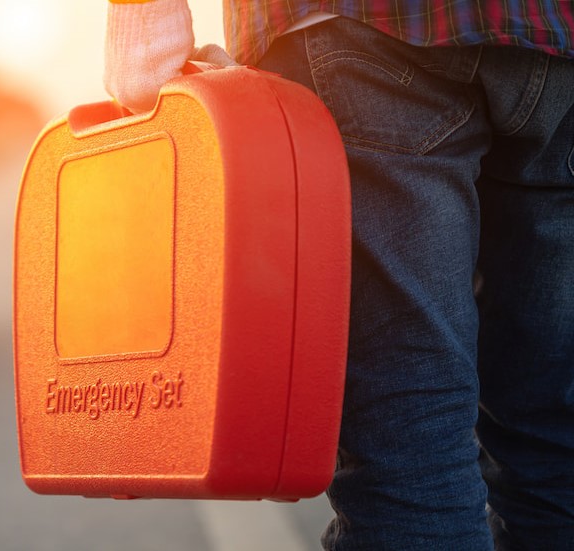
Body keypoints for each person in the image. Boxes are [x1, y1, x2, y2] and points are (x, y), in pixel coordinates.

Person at [104, 1, 574, 549]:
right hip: (556, 40)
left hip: (365, 31)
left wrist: (143, 25)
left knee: (410, 448)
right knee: (553, 442)